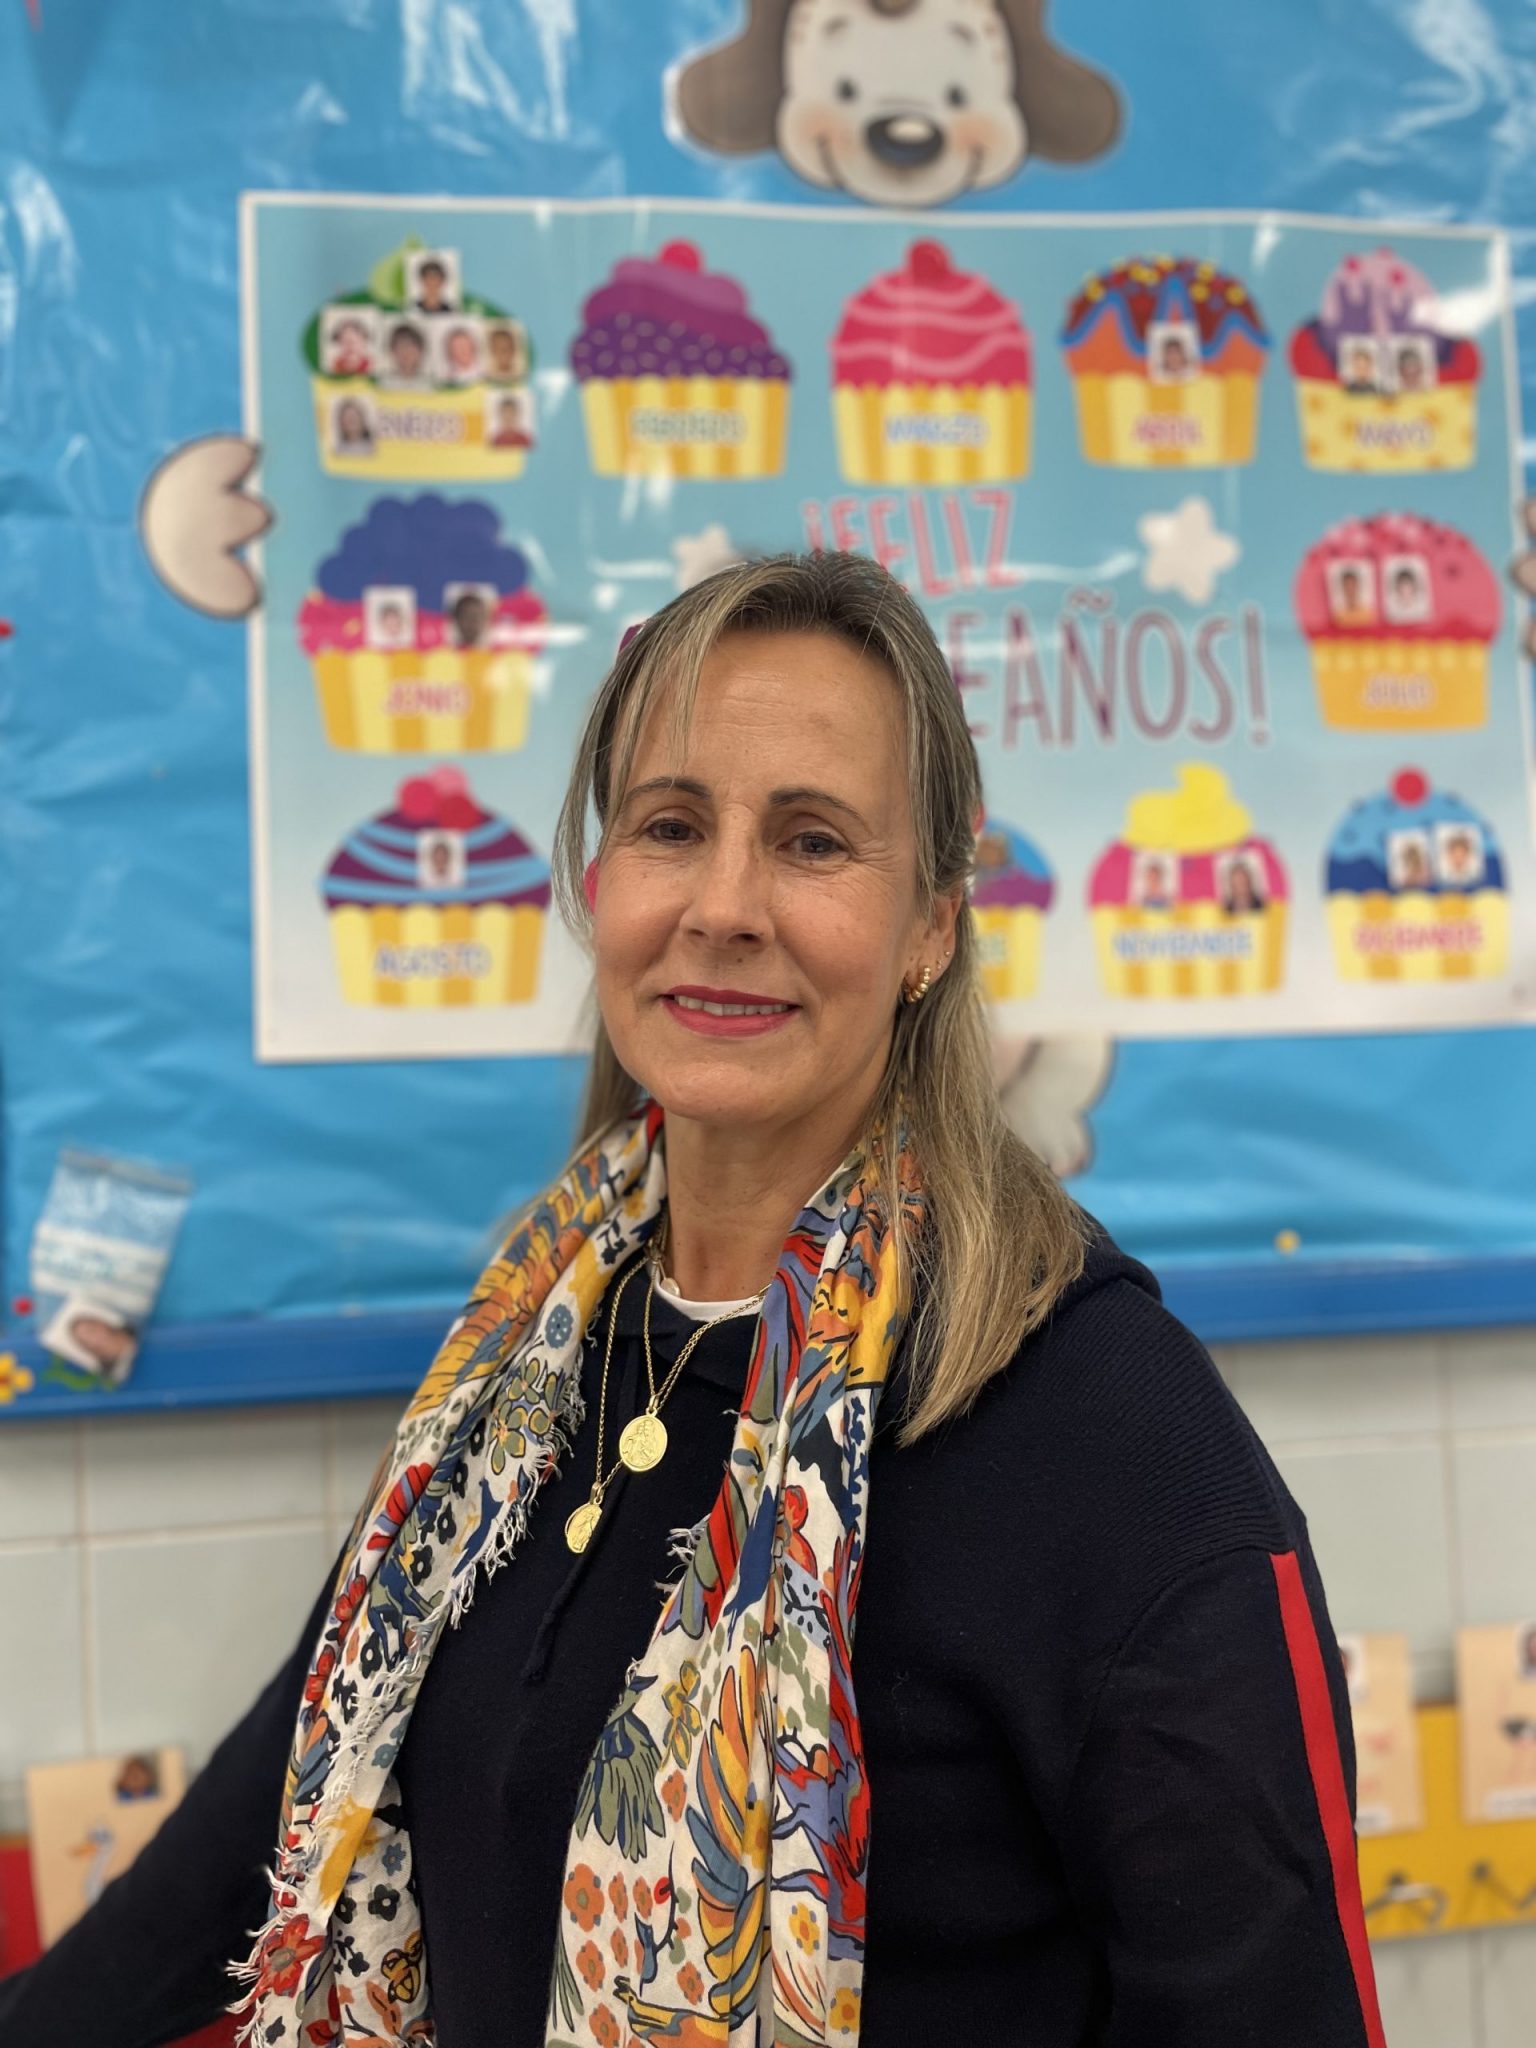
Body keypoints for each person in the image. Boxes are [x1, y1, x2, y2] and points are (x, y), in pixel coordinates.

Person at [0, 553, 1384, 2048]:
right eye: (669, 826)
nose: (723, 906)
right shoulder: (525, 1349)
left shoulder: (1112, 1430)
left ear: (932, 923)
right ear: (601, 882)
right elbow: (281, 1795)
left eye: (812, 840)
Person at [383, 321, 429, 387]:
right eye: (400, 347)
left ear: (420, 350)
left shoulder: (430, 385)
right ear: (393, 351)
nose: (405, 352)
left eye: (410, 346)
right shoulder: (383, 384)